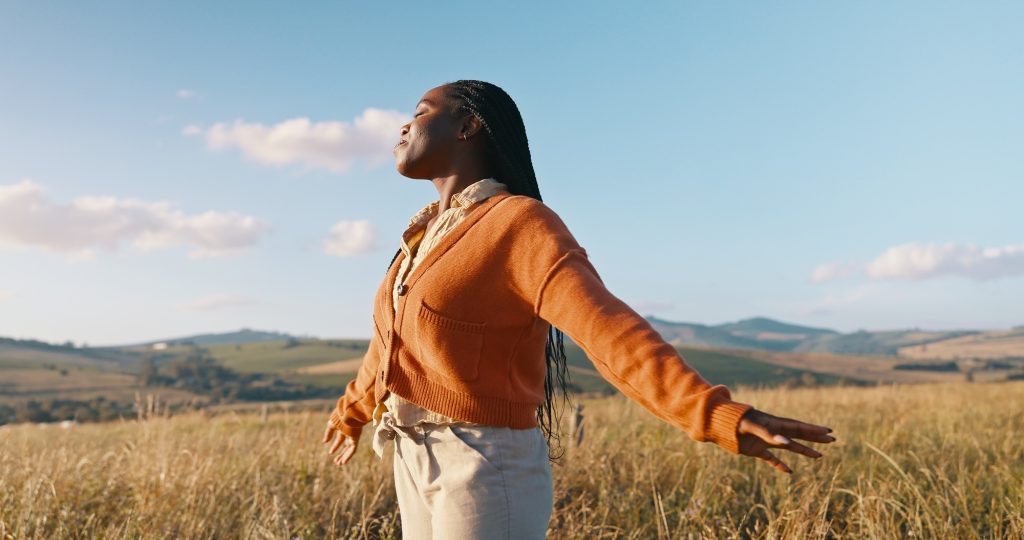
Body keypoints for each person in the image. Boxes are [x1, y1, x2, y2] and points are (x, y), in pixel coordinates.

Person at [323, 80, 836, 539]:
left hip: (482, 463)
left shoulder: (519, 224)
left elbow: (606, 329)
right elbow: (388, 347)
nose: (403, 124)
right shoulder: (418, 241)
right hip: (411, 453)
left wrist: (708, 411)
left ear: (467, 126)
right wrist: (351, 413)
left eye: (420, 111)